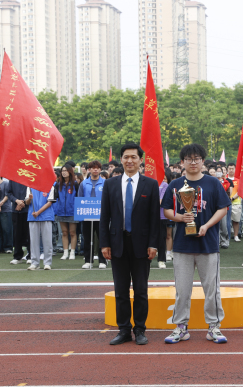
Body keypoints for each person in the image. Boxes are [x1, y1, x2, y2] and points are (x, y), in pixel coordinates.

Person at [161, 144, 231, 344]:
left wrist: (207, 225)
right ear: (182, 162)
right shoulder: (175, 185)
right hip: (182, 245)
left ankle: (214, 327)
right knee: (182, 290)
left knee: (212, 289)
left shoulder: (213, 183)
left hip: (208, 245)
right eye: (189, 159)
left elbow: (223, 208)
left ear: (202, 161)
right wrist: (180, 218)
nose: (193, 162)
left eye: (197, 159)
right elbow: (166, 209)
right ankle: (181, 327)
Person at [100, 142, 160, 346]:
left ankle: (140, 329)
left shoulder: (150, 184)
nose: (130, 160)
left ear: (140, 160)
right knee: (121, 291)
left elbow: (154, 218)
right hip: (117, 243)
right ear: (121, 159)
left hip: (142, 245)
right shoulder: (110, 184)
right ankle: (124, 330)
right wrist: (104, 243)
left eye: (134, 157)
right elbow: (104, 217)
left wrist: (153, 244)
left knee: (141, 290)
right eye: (126, 157)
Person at [77, 161, 107, 269]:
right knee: (87, 238)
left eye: (97, 168)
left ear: (100, 170)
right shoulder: (84, 183)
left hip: (101, 215)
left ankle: (102, 260)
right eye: (93, 168)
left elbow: (108, 198)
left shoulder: (105, 182)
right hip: (87, 213)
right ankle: (88, 260)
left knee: (102, 237)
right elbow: (80, 198)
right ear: (89, 170)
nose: (95, 170)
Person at [25, 185, 56, 270]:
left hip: (46, 216)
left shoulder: (50, 186)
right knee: (34, 241)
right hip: (33, 217)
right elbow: (27, 202)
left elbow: (49, 203)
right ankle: (35, 262)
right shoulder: (30, 187)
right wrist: (29, 198)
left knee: (47, 241)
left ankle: (47, 262)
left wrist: (38, 212)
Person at [55, 165, 79, 260]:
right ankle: (65, 253)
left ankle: (72, 252)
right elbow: (56, 197)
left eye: (66, 170)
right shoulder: (58, 184)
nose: (64, 172)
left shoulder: (75, 184)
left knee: (72, 232)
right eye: (62, 171)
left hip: (72, 211)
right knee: (64, 233)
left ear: (70, 172)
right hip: (61, 211)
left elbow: (78, 197)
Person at [7, 180, 30, 264]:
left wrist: (23, 202)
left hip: (28, 209)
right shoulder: (12, 179)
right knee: (17, 234)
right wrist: (16, 201)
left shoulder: (29, 176)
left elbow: (32, 192)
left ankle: (30, 256)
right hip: (15, 210)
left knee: (29, 233)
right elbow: (8, 193)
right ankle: (17, 256)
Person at [0, 173, 13, 254]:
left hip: (6, 209)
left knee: (6, 229)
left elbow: (7, 195)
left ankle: (8, 247)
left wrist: (0, 203)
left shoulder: (5, 183)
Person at [157, 169, 172, 269]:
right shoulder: (148, 183)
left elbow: (160, 201)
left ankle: (161, 260)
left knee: (161, 238)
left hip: (161, 216)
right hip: (148, 216)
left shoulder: (164, 185)